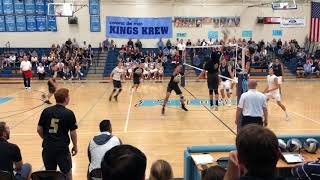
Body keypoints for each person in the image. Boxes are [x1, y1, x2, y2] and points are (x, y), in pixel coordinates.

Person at [37, 88, 78, 180]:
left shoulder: (46, 111)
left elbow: (39, 129)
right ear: (65, 99)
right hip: (62, 149)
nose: (69, 98)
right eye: (69, 96)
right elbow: (73, 132)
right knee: (67, 173)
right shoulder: (69, 113)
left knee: (50, 175)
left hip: (47, 148)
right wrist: (75, 146)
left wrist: (46, 138)